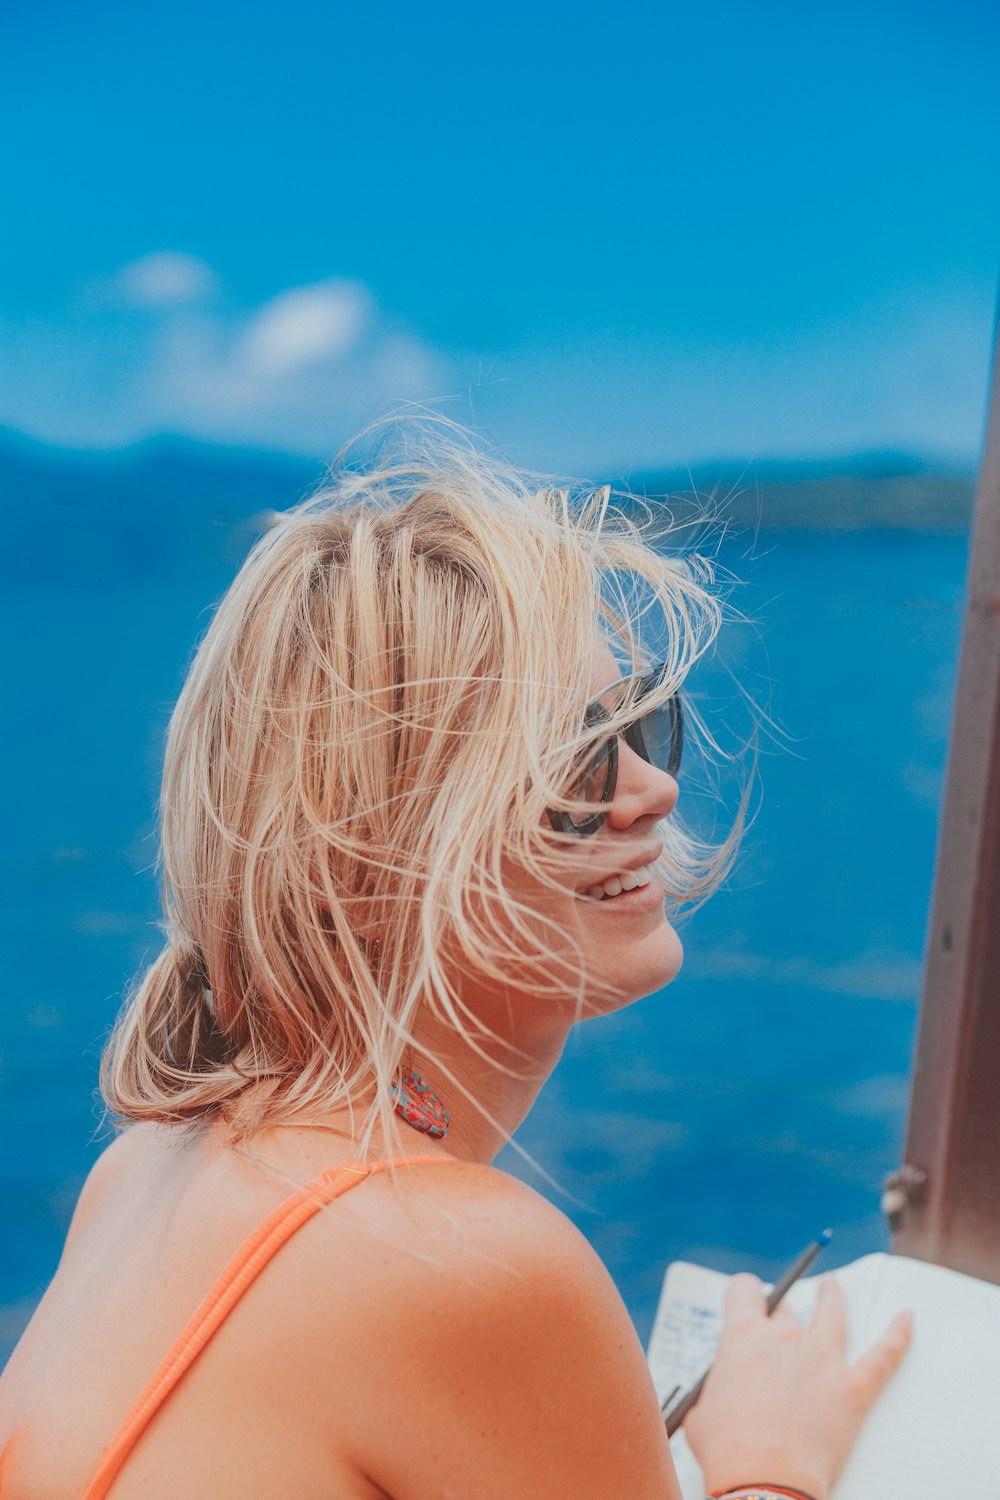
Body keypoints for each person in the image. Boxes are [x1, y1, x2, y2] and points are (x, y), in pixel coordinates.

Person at [0, 428, 911, 1499]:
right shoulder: (465, 1264)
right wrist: (767, 1466)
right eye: (570, 757)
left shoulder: (146, 1168)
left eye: (639, 725)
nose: (651, 791)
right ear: (372, 852)